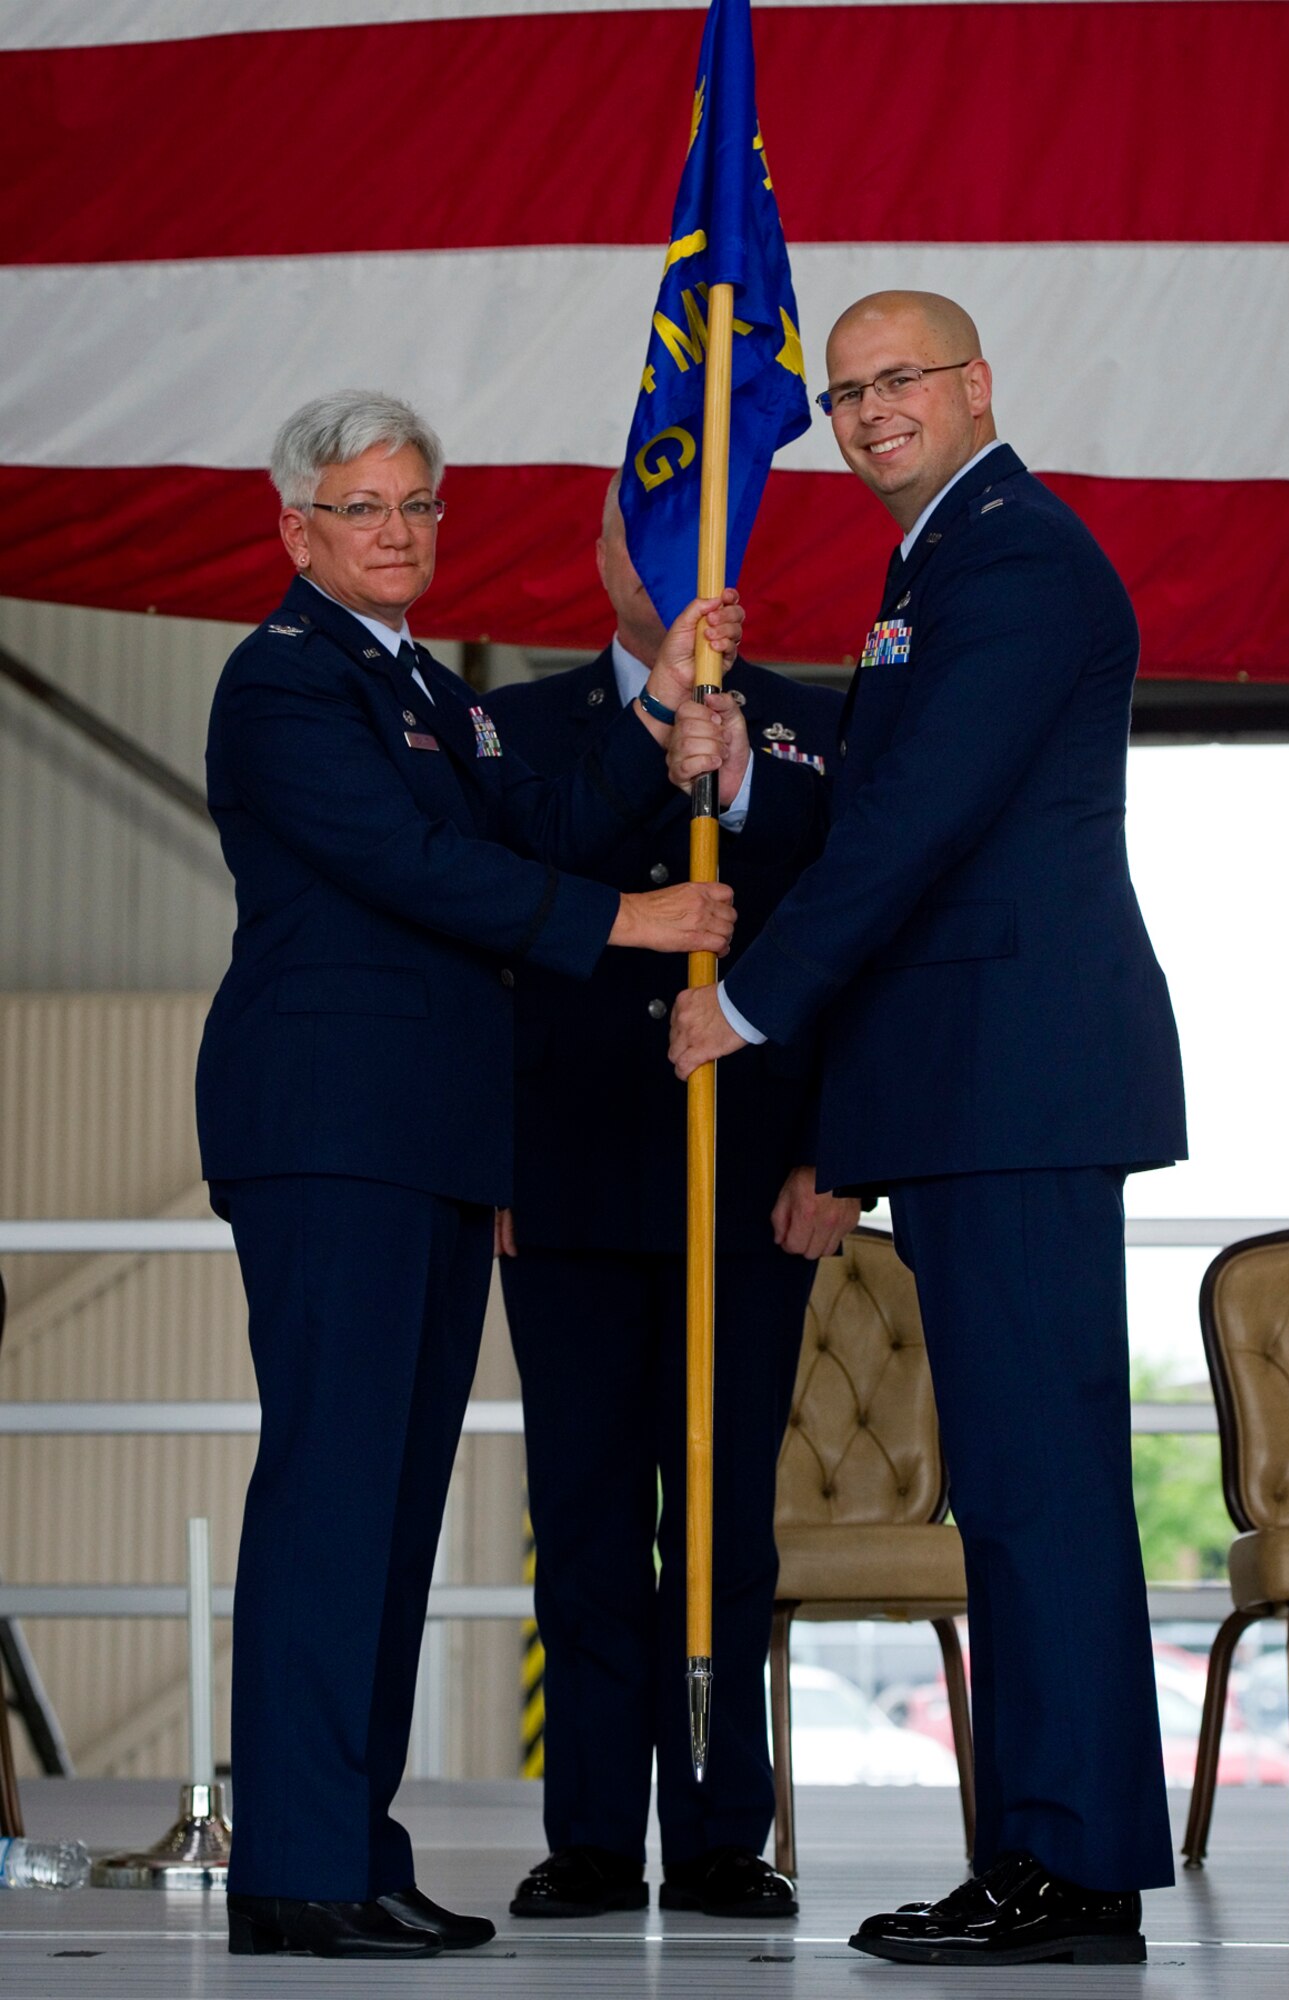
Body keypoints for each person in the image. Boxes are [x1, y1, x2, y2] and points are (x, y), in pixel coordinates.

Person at [669, 293, 1187, 1968]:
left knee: (1037, 1490)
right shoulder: (940, 565)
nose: (870, 410)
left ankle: (1070, 1864)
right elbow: (881, 803)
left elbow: (919, 831)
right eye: (845, 392)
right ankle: (1045, 1849)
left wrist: (750, 1003)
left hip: (1015, 1076)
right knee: (1019, 1490)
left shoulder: (1015, 557)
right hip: (978, 1081)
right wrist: (750, 781)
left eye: (902, 380)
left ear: (975, 387)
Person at [195, 391, 741, 1961]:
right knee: (334, 1497)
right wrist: (623, 927)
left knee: (388, 1507)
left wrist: (656, 717)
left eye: (416, 507)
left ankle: (347, 1849)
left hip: (423, 1140)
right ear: (296, 530)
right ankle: (296, 1866)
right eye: (363, 509)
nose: (397, 534)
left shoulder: (424, 689)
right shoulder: (285, 683)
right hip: (331, 1131)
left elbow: (542, 817)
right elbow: (414, 864)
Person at [487, 479, 857, 1923]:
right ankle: (588, 1834)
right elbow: (494, 926)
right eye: (631, 540)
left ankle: (714, 1835)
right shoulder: (512, 731)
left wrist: (837, 1154)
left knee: (721, 1526)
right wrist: (491, 1163)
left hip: (753, 1182)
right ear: (596, 560)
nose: (655, 566)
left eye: (687, 544)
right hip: (565, 1177)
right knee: (579, 1519)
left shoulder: (814, 726)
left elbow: (856, 938)